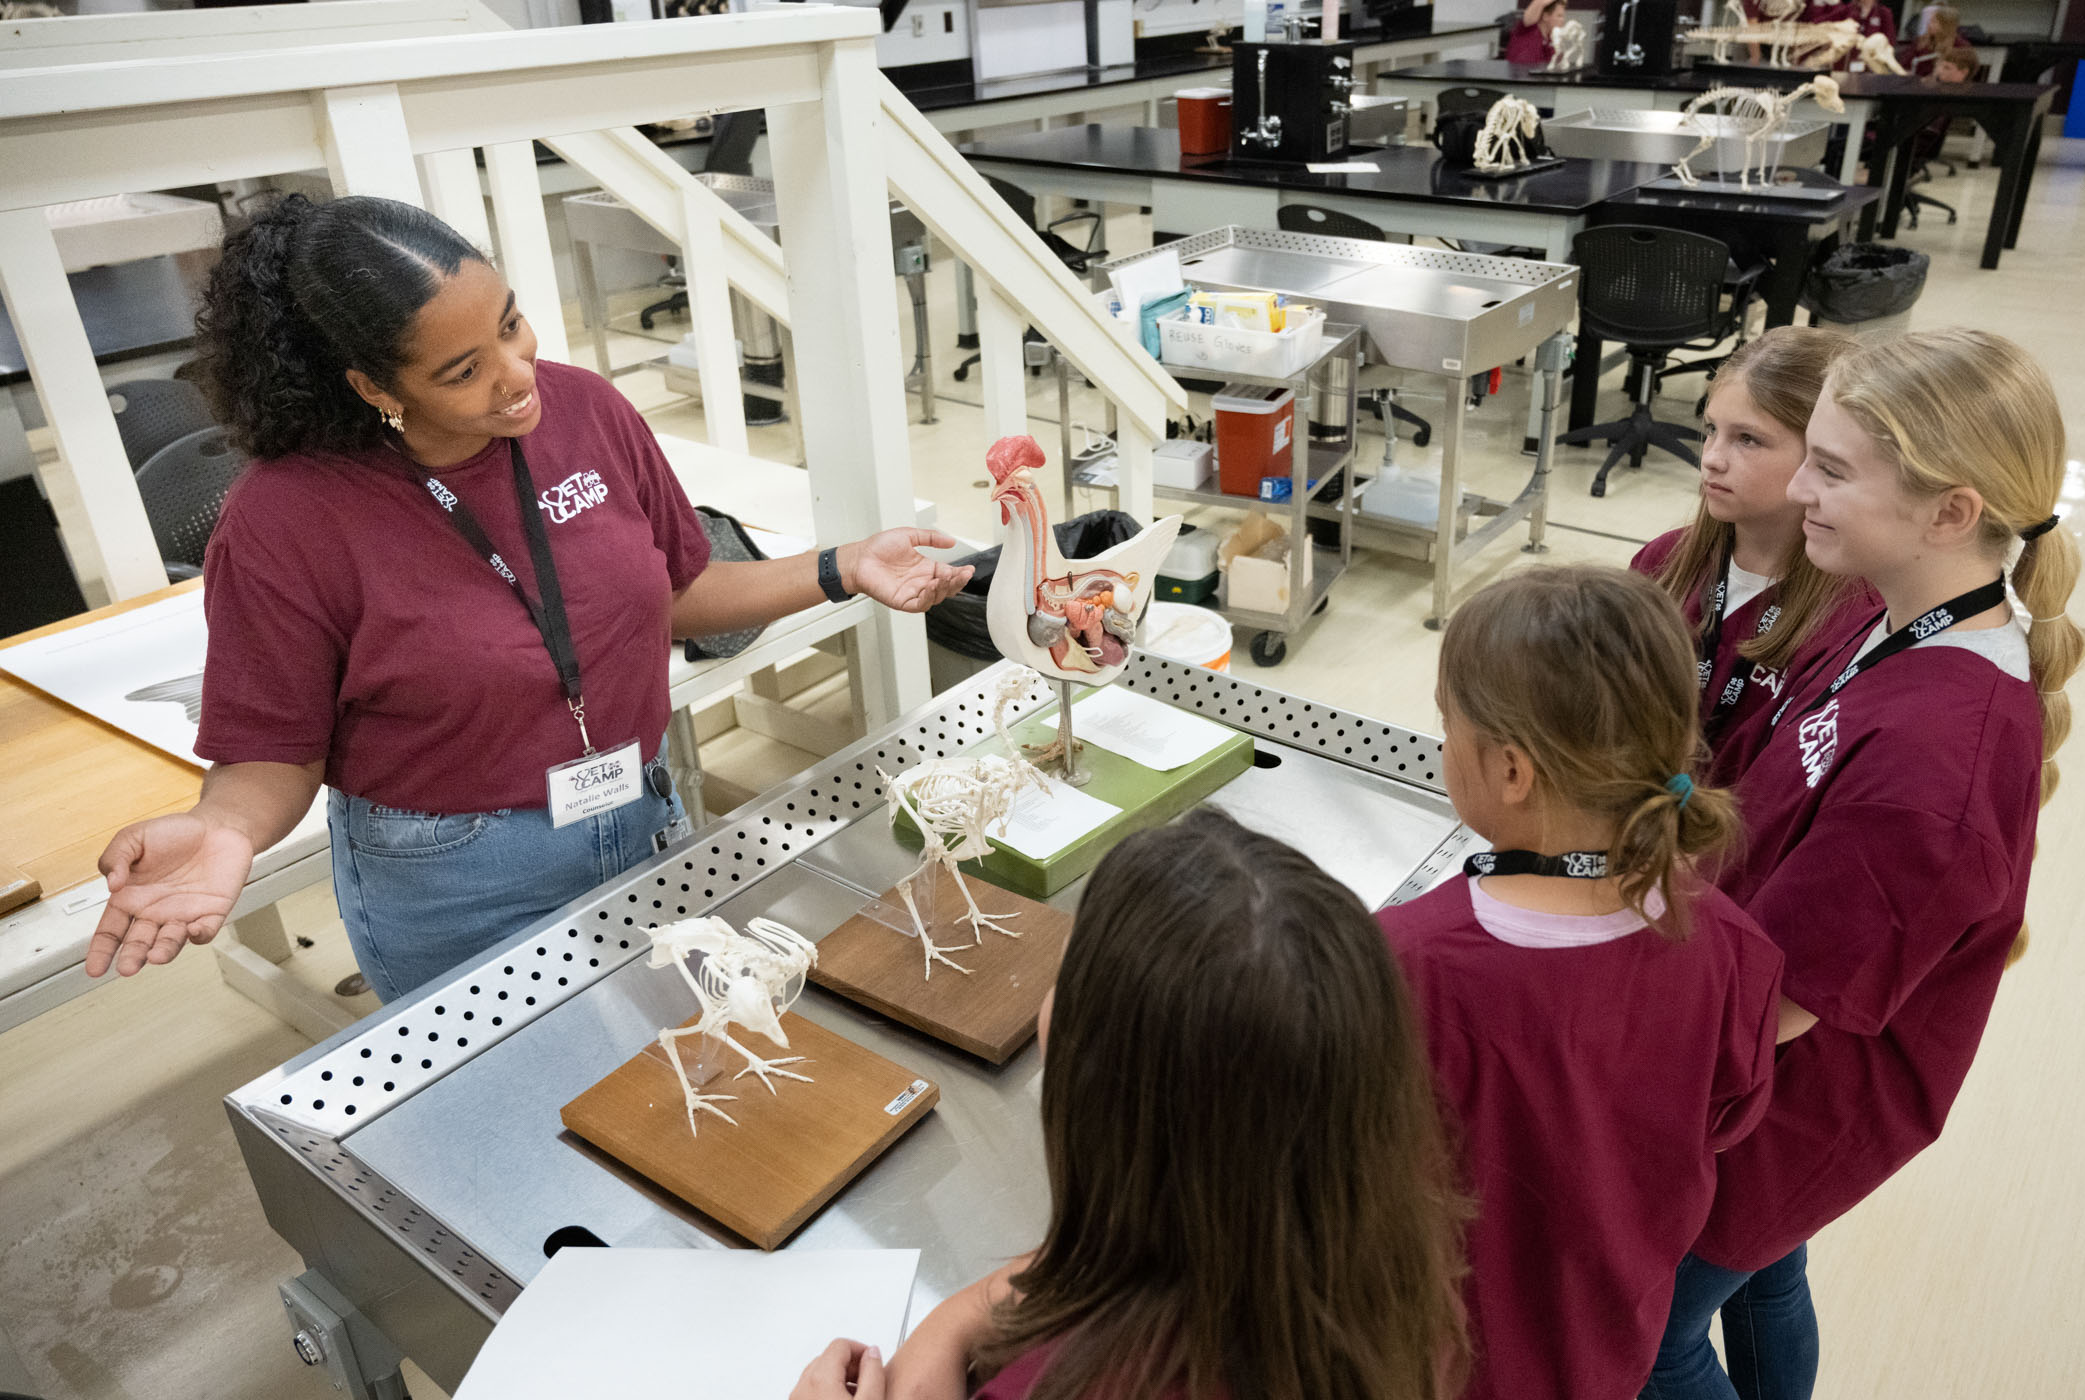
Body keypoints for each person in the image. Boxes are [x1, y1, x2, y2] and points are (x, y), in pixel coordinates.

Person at [85, 194, 972, 1002]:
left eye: (513, 325)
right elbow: (274, 751)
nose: (517, 375)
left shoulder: (585, 411)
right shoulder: (287, 521)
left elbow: (676, 592)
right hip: (456, 874)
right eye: (464, 370)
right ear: (374, 387)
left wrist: (843, 566)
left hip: (641, 808)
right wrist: (224, 829)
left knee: (664, 1066)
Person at [1641, 328, 2081, 1400]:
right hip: (1773, 1059)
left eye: (1829, 468)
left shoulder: (1935, 759)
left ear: (1952, 510)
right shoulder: (1881, 623)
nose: (1797, 487)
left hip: (1791, 1103)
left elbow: (1777, 1007)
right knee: (1758, 1277)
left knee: (1655, 1341)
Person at [799, 809, 1472, 1400]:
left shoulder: (1063, 1383)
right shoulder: (1389, 1298)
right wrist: (953, 1324)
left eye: (1064, 979)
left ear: (1108, 1086)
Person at [1379, 566, 1785, 1400]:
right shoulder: (1736, 949)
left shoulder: (1402, 963)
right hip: (1610, 1345)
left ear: (1514, 771)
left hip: (1440, 1361)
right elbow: (1728, 1115)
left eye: (1448, 723)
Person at [1631, 327, 1882, 787]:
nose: (1711, 458)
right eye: (1711, 430)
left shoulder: (1858, 616)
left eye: (1747, 439)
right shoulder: (1664, 561)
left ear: (1825, 457)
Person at [1899, 2, 1971, 74]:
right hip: (1915, 81)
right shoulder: (1922, 40)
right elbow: (1904, 64)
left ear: (1946, 26)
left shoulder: (1960, 47)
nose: (1929, 24)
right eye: (1929, 21)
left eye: (1934, 22)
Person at [1504, 0, 1565, 66]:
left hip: (1537, 76)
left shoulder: (1551, 43)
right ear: (1545, 16)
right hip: (1516, 75)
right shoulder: (1528, 28)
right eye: (1559, 16)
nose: (1562, 20)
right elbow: (1539, 2)